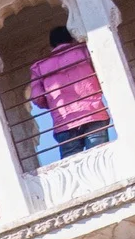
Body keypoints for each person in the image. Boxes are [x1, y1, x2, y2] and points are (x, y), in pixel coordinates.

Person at [29, 24, 111, 159]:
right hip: (93, 113)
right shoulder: (85, 51)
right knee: (101, 159)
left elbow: (37, 97)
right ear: (71, 38)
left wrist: (52, 102)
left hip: (64, 122)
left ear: (52, 45)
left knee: (74, 164)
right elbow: (104, 72)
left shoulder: (39, 66)